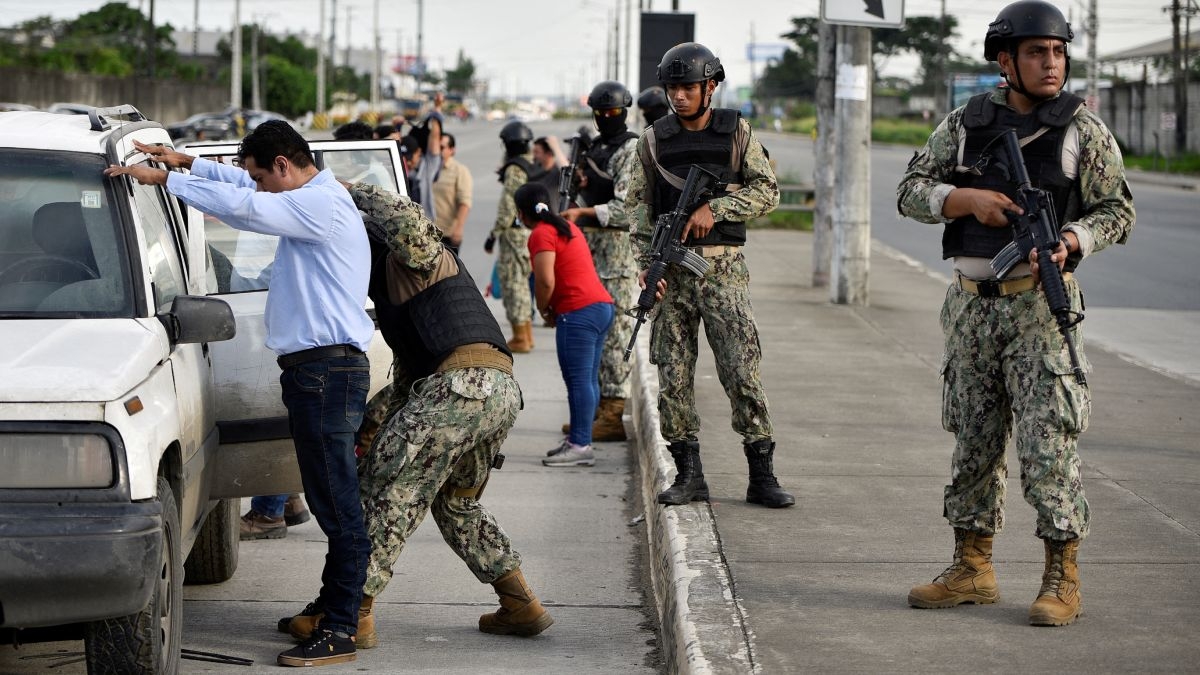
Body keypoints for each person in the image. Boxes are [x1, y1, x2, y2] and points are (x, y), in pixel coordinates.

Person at [897, 0, 1134, 627]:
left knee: (1047, 444)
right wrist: (963, 198)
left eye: (1057, 52)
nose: (1051, 63)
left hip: (1039, 308)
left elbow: (1117, 209)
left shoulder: (1084, 128)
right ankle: (972, 568)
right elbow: (910, 190)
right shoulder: (963, 124)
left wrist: (1074, 240)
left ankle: (1063, 574)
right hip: (972, 309)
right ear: (1006, 61)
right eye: (1036, 52)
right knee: (973, 440)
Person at [105, 121, 374, 666]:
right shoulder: (306, 197)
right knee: (328, 498)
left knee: (339, 505)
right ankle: (330, 606)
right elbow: (247, 194)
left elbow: (245, 209)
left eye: (260, 174)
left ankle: (343, 626)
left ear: (282, 165)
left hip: (327, 372)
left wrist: (164, 181)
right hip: (318, 372)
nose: (255, 184)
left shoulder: (318, 206)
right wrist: (185, 164)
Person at [281, 182, 554, 645]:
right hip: (495, 392)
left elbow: (405, 215)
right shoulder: (400, 294)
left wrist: (345, 189)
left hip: (461, 390)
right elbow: (410, 384)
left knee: (384, 491)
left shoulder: (412, 255)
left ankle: (353, 611)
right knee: (454, 502)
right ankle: (520, 602)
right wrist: (372, 430)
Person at [626, 42, 795, 510]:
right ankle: (689, 474)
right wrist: (647, 265)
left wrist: (714, 209)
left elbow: (768, 191)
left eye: (688, 87)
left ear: (710, 87)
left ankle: (762, 474)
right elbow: (638, 211)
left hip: (722, 270)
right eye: (672, 88)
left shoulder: (736, 131)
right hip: (673, 271)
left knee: (742, 370)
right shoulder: (653, 139)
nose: (678, 96)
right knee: (673, 376)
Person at [560, 81, 641, 443]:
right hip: (589, 256)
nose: (607, 118)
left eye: (613, 112)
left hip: (618, 258)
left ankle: (612, 414)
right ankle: (591, 411)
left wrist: (584, 212)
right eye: (601, 113)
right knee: (590, 340)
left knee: (615, 340)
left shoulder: (631, 149)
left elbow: (628, 209)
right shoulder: (596, 148)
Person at [519, 182, 615, 466]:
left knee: (578, 381)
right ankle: (578, 438)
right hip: (601, 307)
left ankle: (580, 445)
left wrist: (543, 308)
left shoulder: (541, 233)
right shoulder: (564, 227)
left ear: (522, 213)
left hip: (579, 312)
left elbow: (545, 279)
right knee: (587, 379)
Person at [485, 119, 538, 353]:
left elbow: (508, 205)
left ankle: (520, 337)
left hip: (514, 233)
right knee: (523, 285)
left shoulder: (515, 168)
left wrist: (494, 233)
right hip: (529, 231)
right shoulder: (533, 164)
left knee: (513, 285)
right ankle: (526, 334)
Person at [432, 132, 472, 253]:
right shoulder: (427, 169)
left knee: (447, 271)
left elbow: (465, 202)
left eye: (442, 147)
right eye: (437, 146)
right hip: (426, 233)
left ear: (452, 150)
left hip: (447, 234)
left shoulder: (460, 171)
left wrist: (459, 228)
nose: (439, 150)